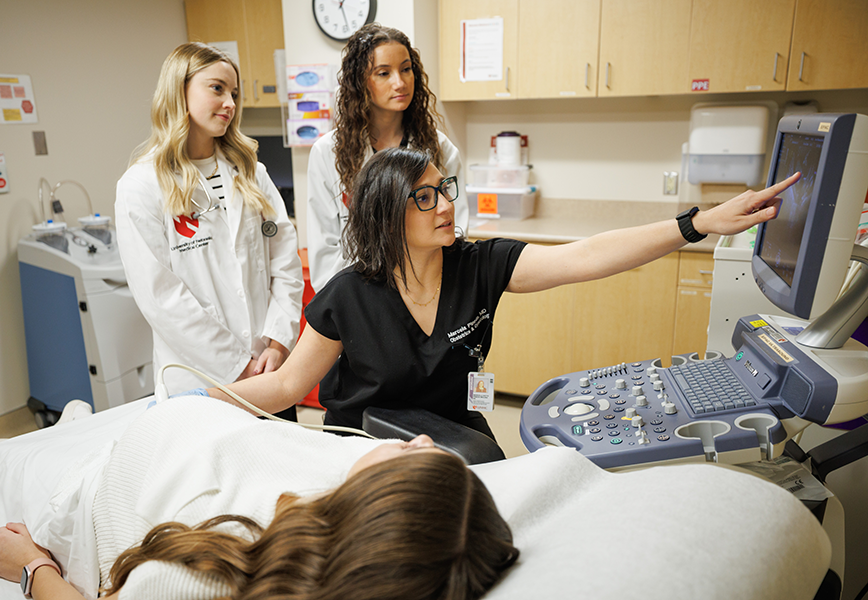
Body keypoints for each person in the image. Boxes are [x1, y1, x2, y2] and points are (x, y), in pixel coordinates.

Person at [208, 147, 801, 440]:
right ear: (388, 215)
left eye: (445, 190)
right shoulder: (348, 294)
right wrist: (203, 400)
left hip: (457, 434)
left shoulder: (479, 264)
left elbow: (586, 255)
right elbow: (287, 385)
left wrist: (696, 223)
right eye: (425, 197)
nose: (446, 206)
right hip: (369, 444)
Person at [0, 396, 518, 599]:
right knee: (32, 438)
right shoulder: (342, 504)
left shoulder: (208, 574)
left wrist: (31, 569)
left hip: (85, 496)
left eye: (413, 454)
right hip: (151, 429)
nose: (419, 438)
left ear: (376, 508)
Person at [115, 42, 303, 416]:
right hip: (199, 380)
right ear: (178, 91)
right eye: (217, 88)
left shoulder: (252, 173)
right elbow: (162, 298)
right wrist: (238, 365)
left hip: (269, 370)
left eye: (234, 92)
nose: (230, 103)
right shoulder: (141, 185)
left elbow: (285, 262)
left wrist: (279, 342)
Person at [307, 22, 466, 292]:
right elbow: (325, 251)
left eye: (406, 69)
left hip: (426, 291)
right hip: (359, 299)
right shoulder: (327, 153)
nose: (400, 82)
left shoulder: (439, 147)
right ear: (359, 81)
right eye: (384, 73)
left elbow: (456, 230)